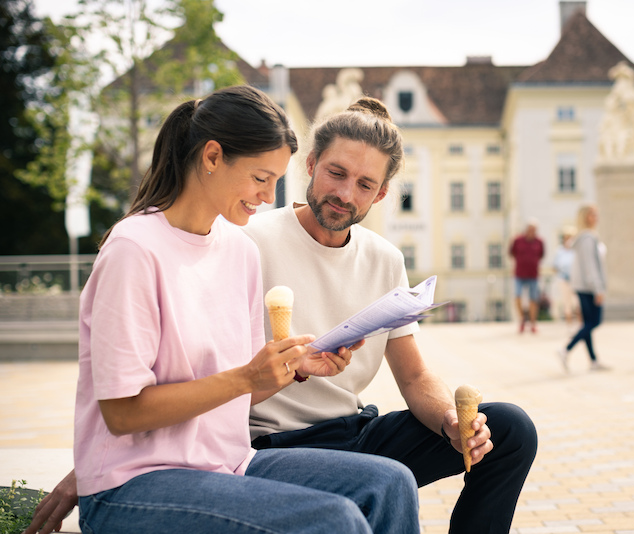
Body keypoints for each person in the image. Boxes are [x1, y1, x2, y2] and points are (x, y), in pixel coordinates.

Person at [25, 86, 419, 534]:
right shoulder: (134, 250)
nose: (269, 197)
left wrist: (291, 368)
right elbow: (122, 413)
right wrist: (246, 377)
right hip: (133, 483)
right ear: (212, 157)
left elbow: (241, 392)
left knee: (391, 482)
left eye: (275, 181)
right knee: (334, 521)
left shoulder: (239, 249)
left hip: (229, 462)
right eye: (259, 178)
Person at [243, 97, 537, 534]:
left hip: (353, 434)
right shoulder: (251, 241)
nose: (345, 194)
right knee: (389, 481)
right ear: (310, 164)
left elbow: (414, 377)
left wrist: (452, 423)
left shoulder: (385, 260)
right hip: (273, 444)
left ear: (381, 193)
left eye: (364, 184)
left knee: (511, 430)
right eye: (336, 173)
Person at [557, 205, 611, 373]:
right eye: (593, 214)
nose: (597, 217)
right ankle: (566, 349)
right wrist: (598, 289)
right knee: (594, 321)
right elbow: (590, 266)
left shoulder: (584, 237)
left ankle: (593, 360)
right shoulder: (588, 238)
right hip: (588, 286)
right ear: (586, 217)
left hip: (582, 285)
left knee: (587, 323)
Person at [509, 218, 545, 333]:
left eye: (534, 230)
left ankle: (533, 323)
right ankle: (522, 319)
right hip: (519, 273)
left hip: (533, 274)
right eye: (530, 229)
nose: (531, 231)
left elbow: (541, 255)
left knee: (533, 299)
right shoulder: (518, 240)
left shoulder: (539, 241)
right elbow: (512, 253)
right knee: (517, 296)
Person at [552, 226, 579, 331]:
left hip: (575, 280)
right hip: (564, 280)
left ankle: (580, 325)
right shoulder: (559, 251)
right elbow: (555, 266)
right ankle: (569, 325)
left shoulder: (576, 251)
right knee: (567, 303)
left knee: (577, 303)